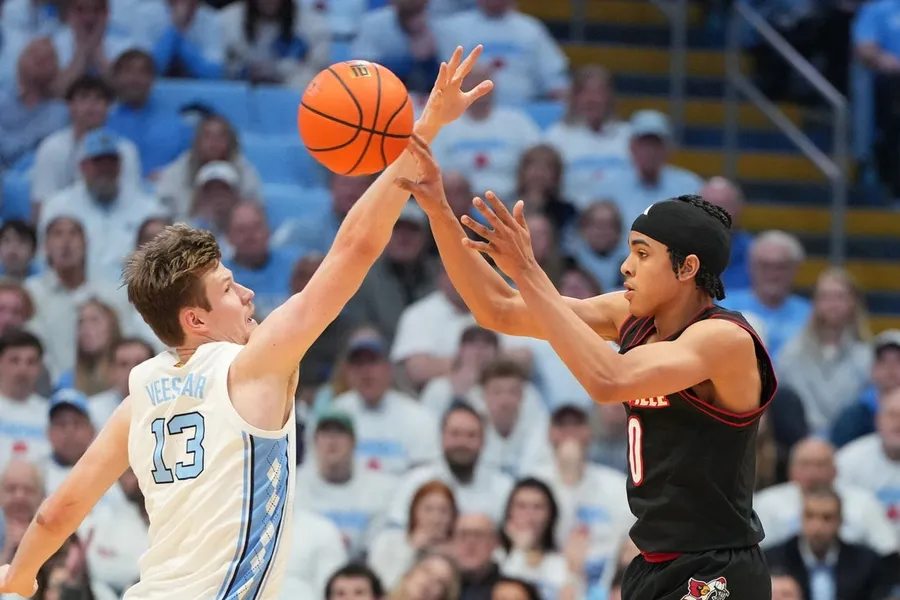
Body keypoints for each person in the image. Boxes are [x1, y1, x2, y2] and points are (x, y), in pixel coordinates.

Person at [0, 45, 492, 598]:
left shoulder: (139, 395)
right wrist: (424, 129)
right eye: (229, 290)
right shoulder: (254, 366)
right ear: (195, 319)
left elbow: (58, 511)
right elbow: (353, 249)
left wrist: (18, 577)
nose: (249, 294)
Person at [398, 139, 777, 600]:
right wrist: (438, 210)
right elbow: (496, 309)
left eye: (642, 253)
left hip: (717, 568)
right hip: (652, 563)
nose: (625, 267)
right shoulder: (629, 316)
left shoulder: (724, 339)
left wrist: (529, 271)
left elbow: (608, 380)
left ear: (687, 268)